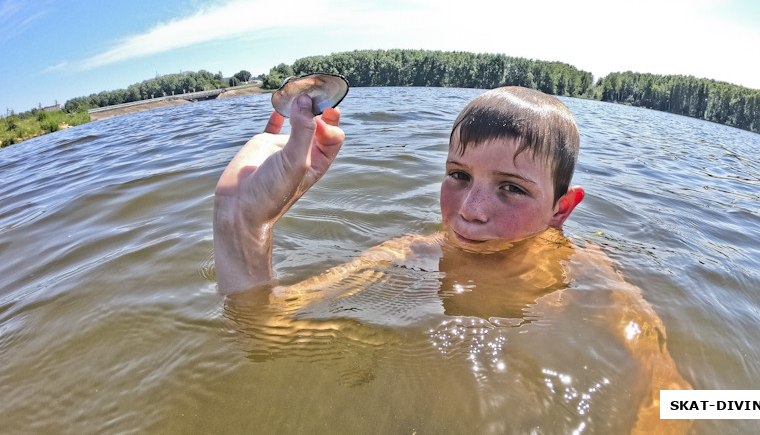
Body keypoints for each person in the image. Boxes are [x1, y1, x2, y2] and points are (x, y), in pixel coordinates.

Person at [213, 87, 691, 433]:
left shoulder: (587, 272)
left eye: (511, 188)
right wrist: (242, 221)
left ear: (561, 210)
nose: (470, 211)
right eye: (458, 175)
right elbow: (263, 330)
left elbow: (675, 400)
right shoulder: (409, 253)